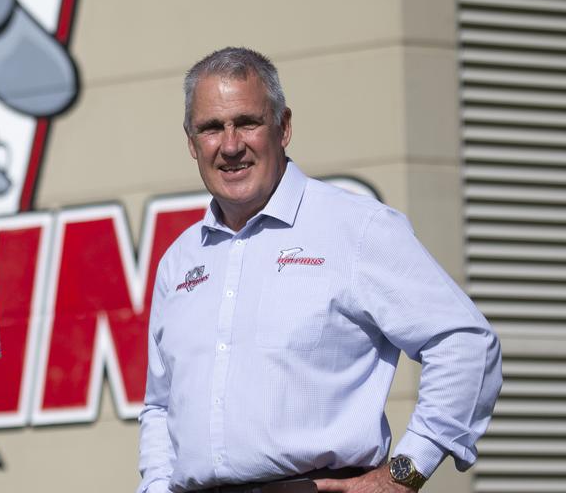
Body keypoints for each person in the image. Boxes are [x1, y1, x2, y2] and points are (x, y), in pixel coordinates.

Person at [139, 47, 502, 493]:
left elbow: (465, 344)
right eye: (211, 128)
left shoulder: (357, 229)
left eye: (248, 122)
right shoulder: (180, 261)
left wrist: (404, 473)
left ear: (284, 127)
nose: (230, 146)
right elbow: (160, 406)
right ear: (192, 143)